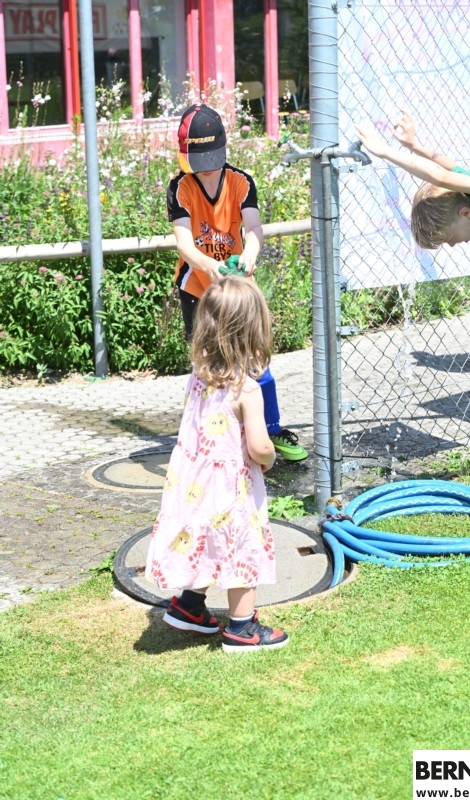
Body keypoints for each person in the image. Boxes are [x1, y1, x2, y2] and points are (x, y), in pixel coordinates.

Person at [355, 111, 470, 483]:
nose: (451, 245)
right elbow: (448, 169)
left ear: (464, 212)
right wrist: (415, 145)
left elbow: (442, 177)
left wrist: (386, 152)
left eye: (449, 237)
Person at [145, 276, 289, 653]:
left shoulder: (199, 377)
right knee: (240, 546)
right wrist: (270, 457)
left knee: (205, 540)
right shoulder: (247, 390)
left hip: (194, 480)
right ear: (253, 331)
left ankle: (189, 606)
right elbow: (259, 445)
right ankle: (242, 627)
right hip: (231, 489)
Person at [167, 102, 307, 462]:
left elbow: (254, 228)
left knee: (255, 357)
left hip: (238, 290)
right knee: (207, 361)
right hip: (198, 289)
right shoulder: (180, 187)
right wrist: (209, 266)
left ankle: (269, 430)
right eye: (199, 162)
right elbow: (184, 244)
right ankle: (207, 434)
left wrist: (250, 254)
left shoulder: (241, 182)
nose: (206, 170)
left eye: (211, 161)